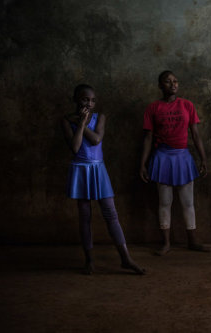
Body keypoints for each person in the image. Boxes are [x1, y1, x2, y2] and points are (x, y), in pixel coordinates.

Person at [62, 84, 145, 275]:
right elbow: (74, 148)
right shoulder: (66, 121)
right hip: (80, 169)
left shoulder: (100, 117)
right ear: (75, 99)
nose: (89, 103)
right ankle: (89, 260)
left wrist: (82, 122)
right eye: (85, 99)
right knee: (85, 216)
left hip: (98, 168)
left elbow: (97, 140)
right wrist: (81, 124)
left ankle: (126, 258)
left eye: (92, 100)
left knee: (110, 212)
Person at [140, 71, 208, 256]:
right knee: (165, 202)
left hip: (183, 158)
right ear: (160, 86)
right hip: (162, 157)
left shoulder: (187, 105)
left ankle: (192, 241)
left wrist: (203, 158)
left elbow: (195, 135)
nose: (173, 84)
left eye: (175, 81)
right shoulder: (153, 108)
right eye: (168, 82)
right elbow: (147, 138)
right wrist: (143, 164)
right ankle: (166, 243)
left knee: (188, 202)